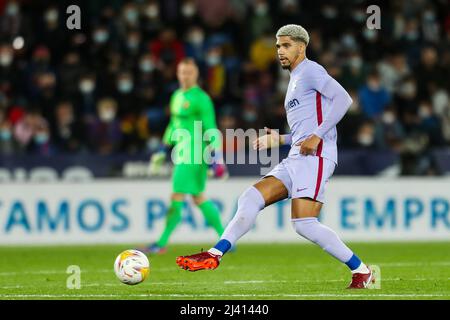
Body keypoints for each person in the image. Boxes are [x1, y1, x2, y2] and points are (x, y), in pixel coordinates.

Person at [176, 25, 373, 289]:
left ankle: (362, 271)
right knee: (250, 197)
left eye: (287, 45)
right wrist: (281, 139)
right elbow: (304, 131)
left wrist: (317, 135)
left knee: (303, 223)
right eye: (278, 46)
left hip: (317, 156)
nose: (280, 51)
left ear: (301, 47)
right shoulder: (293, 79)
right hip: (297, 156)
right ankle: (215, 253)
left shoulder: (311, 70)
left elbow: (343, 99)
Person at [142, 58, 227, 254]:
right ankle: (226, 239)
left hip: (194, 153)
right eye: (182, 72)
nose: (185, 76)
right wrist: (163, 150)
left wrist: (216, 156)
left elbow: (211, 128)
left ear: (196, 74)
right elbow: (174, 125)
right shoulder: (177, 96)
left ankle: (161, 244)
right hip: (180, 151)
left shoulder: (201, 99)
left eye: (189, 72)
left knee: (177, 196)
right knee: (199, 198)